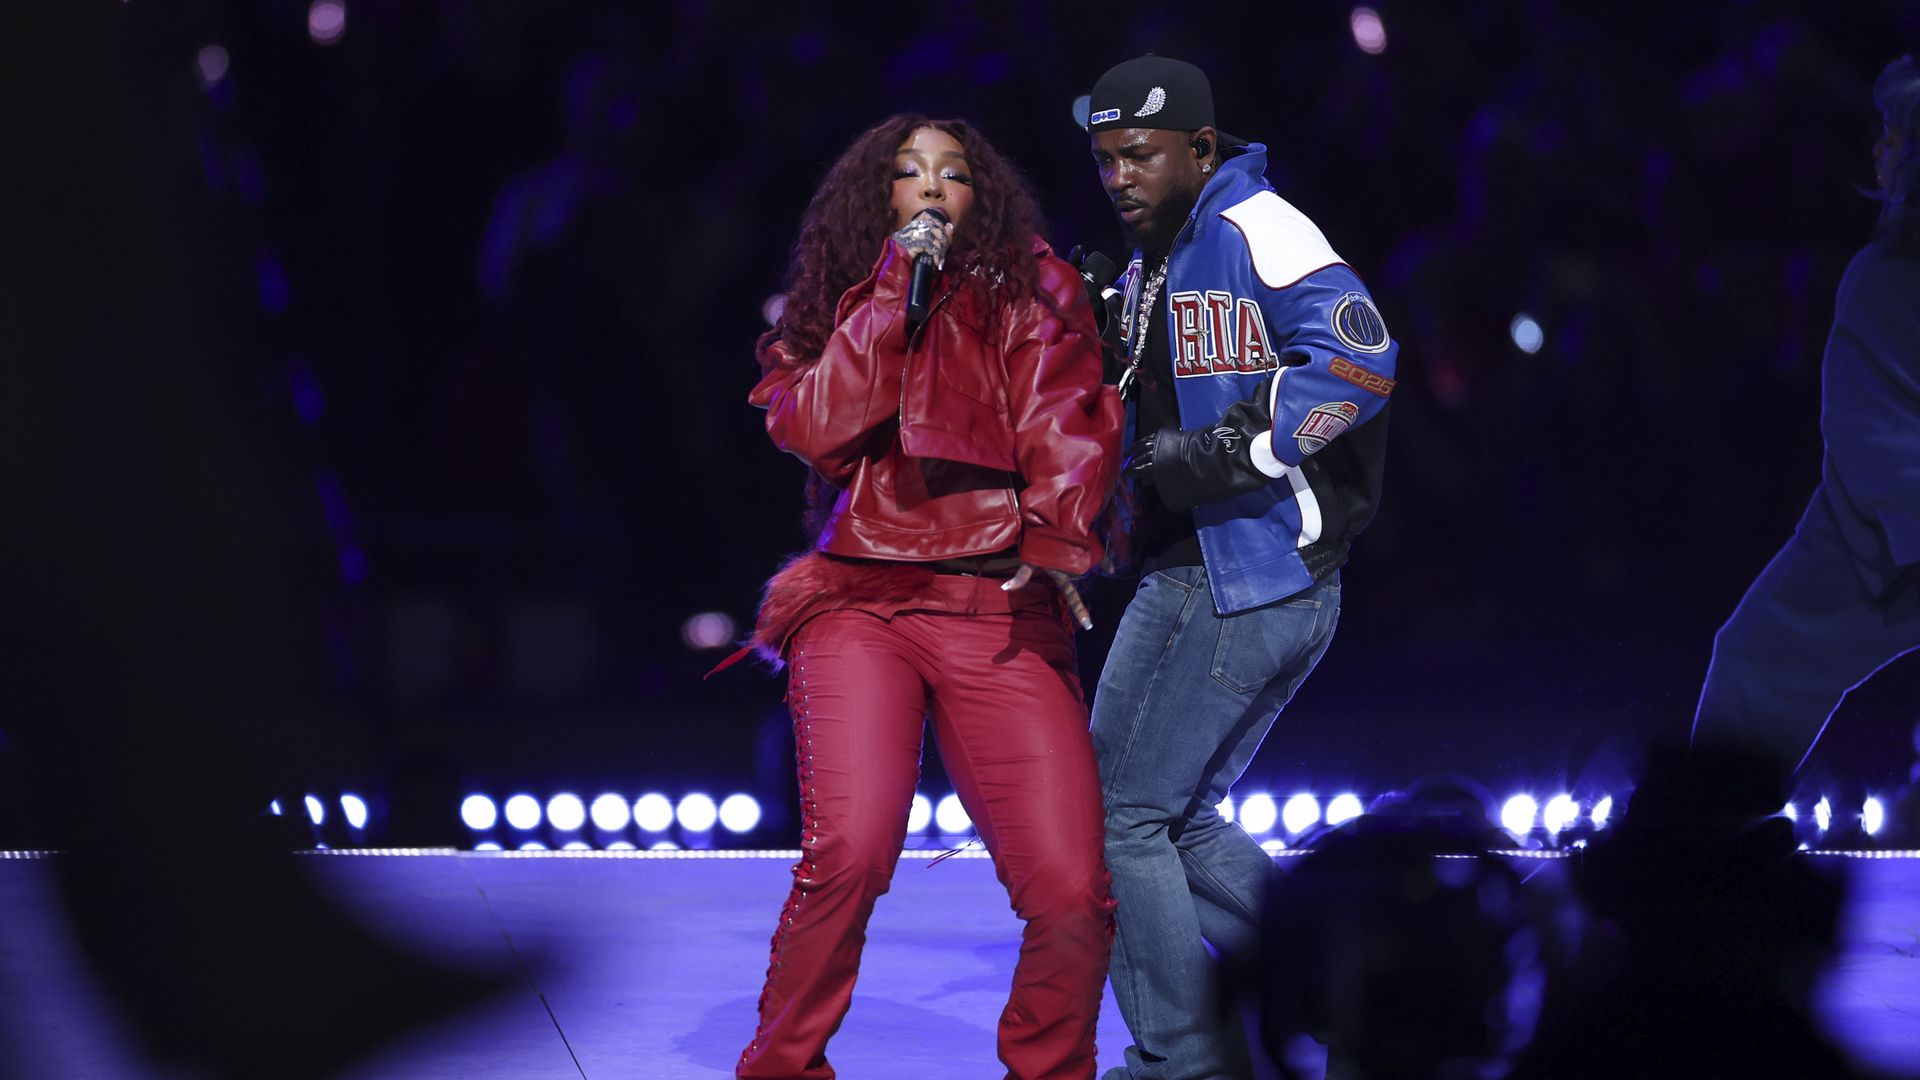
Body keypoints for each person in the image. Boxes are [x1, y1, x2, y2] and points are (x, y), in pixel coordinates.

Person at [734, 114, 1125, 1080]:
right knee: (853, 855)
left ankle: (1050, 1070)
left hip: (996, 602)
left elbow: (1069, 418)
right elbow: (820, 426)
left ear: (978, 195)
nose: (933, 188)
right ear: (884, 201)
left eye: (953, 174)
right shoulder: (839, 302)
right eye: (910, 175)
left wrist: (1056, 535)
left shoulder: (1037, 286)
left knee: (1073, 887)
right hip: (862, 602)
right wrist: (891, 300)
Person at [1080, 56, 1398, 1080]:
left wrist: (1232, 451)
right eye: (1106, 159)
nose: (1119, 176)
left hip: (1235, 574)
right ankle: (1356, 994)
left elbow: (1361, 360)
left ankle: (1186, 1061)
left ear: (1202, 149)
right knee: (1176, 819)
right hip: (1245, 578)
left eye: (1139, 155)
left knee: (1115, 819)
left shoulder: (1259, 224)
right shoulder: (1162, 250)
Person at [1692, 56, 1920, 778]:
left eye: (1895, 135)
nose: (1879, 150)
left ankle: (1708, 840)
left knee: (1757, 661)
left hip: (1888, 541)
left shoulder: (1881, 283)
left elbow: (1879, 440)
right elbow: (1877, 440)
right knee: (1756, 659)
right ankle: (1710, 837)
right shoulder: (1884, 278)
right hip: (1880, 538)